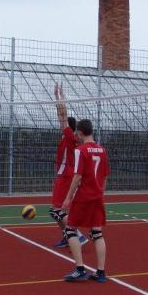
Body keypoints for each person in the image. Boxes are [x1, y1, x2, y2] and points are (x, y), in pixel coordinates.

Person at [61, 118, 110, 282]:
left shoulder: (80, 150)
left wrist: (68, 198)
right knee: (97, 233)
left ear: (80, 133)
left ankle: (80, 268)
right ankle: (101, 272)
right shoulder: (102, 150)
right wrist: (100, 191)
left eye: (77, 134)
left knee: (70, 229)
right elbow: (105, 177)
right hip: (97, 195)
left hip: (84, 196)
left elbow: (77, 177)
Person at [49, 83, 87, 248]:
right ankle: (67, 235)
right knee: (57, 211)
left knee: (56, 210)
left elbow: (62, 116)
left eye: (64, 124)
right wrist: (59, 98)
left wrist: (60, 98)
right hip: (63, 176)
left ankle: (76, 234)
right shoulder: (67, 137)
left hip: (66, 177)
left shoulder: (70, 137)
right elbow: (62, 117)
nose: (60, 124)